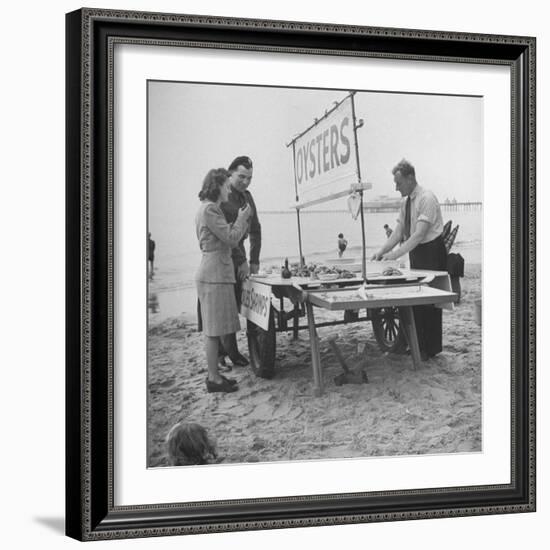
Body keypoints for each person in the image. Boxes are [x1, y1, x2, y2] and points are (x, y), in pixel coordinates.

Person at [371, 159, 446, 359]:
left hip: (431, 251)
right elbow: (398, 233)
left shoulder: (426, 198)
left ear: (410, 178)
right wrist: (381, 252)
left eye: (399, 183)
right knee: (416, 298)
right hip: (417, 252)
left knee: (430, 302)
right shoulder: (406, 203)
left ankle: (429, 349)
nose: (396, 187)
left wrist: (394, 255)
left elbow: (419, 235)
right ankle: (417, 345)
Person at [195, 168, 251, 392]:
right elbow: (230, 238)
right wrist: (242, 218)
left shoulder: (209, 209)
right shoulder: (210, 209)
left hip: (215, 273)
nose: (229, 189)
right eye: (227, 185)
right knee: (213, 330)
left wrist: (239, 222)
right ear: (217, 186)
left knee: (214, 329)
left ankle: (215, 376)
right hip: (214, 275)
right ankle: (214, 379)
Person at [218, 156, 262, 367]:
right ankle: (225, 353)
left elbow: (256, 230)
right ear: (230, 173)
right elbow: (227, 236)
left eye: (250, 178)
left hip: (242, 254)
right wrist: (242, 261)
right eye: (241, 177)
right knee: (224, 307)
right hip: (223, 256)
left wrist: (254, 260)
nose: (245, 182)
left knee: (237, 303)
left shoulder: (247, 196)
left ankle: (232, 352)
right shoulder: (222, 197)